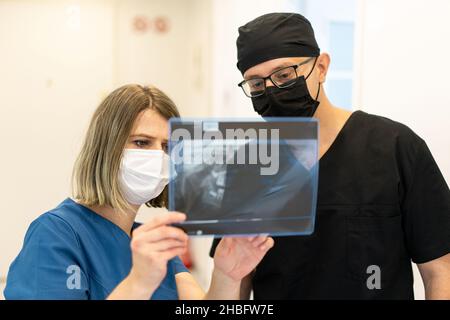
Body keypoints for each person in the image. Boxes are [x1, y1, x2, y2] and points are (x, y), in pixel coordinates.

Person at [211, 12, 450, 299]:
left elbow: (440, 270)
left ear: (322, 67)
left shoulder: (396, 148)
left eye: (284, 75)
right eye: (257, 84)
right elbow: (233, 286)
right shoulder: (246, 168)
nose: (272, 90)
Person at [4, 84, 274, 300]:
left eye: (167, 147)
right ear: (106, 148)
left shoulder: (152, 242)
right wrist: (139, 283)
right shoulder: (57, 234)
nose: (158, 156)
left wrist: (227, 275)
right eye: (142, 142)